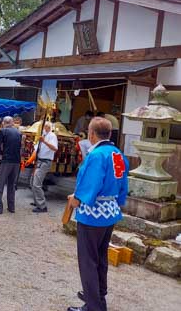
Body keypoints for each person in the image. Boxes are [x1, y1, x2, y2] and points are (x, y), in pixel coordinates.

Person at [67, 117, 129, 311]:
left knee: (88, 261)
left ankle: (93, 306)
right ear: (109, 134)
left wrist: (77, 198)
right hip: (109, 211)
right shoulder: (117, 154)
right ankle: (99, 299)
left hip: (93, 213)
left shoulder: (96, 155)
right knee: (100, 258)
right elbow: (122, 183)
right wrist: (118, 202)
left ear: (92, 134)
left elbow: (90, 183)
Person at [0, 116, 22, 214]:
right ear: (12, 123)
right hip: (16, 162)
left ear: (3, 123)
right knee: (11, 185)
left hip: (7, 160)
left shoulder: (3, 131)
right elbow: (21, 147)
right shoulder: (19, 133)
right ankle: (11, 207)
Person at [31, 122, 58, 213]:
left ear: (49, 128)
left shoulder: (52, 136)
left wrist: (44, 141)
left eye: (46, 126)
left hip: (45, 161)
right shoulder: (43, 135)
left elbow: (55, 148)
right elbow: (36, 149)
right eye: (43, 126)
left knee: (36, 183)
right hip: (39, 160)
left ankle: (42, 206)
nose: (44, 128)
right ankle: (37, 201)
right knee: (32, 182)